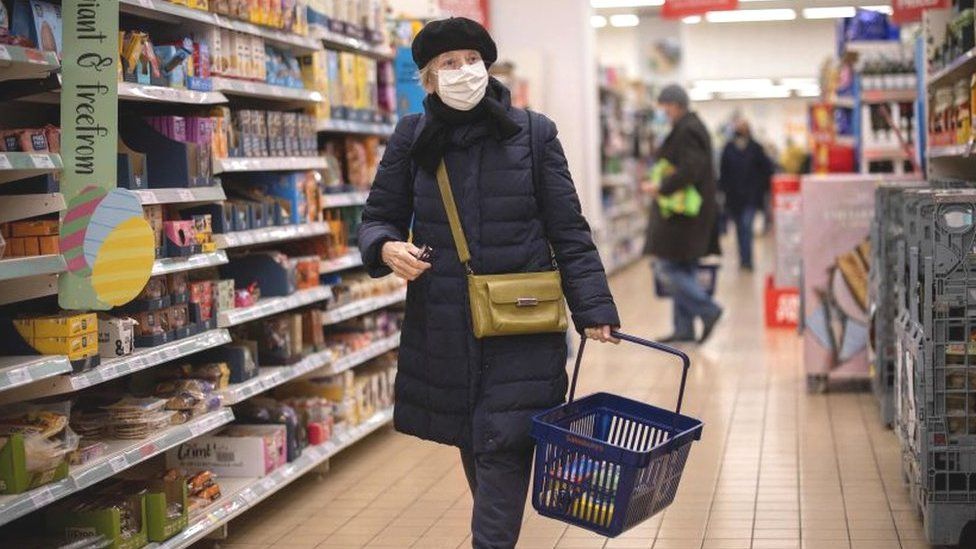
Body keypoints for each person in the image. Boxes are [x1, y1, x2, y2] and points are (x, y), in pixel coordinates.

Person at [357, 17, 620, 549]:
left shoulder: (533, 133)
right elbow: (377, 217)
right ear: (429, 78)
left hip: (521, 323)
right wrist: (384, 247)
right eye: (449, 64)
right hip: (445, 327)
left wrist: (594, 308)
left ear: (487, 65)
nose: (463, 71)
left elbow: (568, 229)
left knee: (504, 446)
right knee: (477, 444)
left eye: (471, 60)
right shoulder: (411, 137)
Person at [643, 84, 722, 344]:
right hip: (689, 214)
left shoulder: (688, 129)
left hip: (685, 214)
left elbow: (690, 169)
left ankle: (708, 310)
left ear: (675, 104)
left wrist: (661, 186)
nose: (663, 112)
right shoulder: (689, 127)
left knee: (667, 267)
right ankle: (684, 328)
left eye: (664, 106)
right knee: (683, 267)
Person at [718, 119, 774, 270]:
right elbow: (723, 173)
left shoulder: (756, 148)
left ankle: (747, 260)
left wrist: (761, 188)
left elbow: (767, 169)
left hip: (751, 196)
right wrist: (722, 192)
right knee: (738, 229)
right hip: (734, 198)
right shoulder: (728, 148)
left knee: (746, 226)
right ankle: (743, 258)